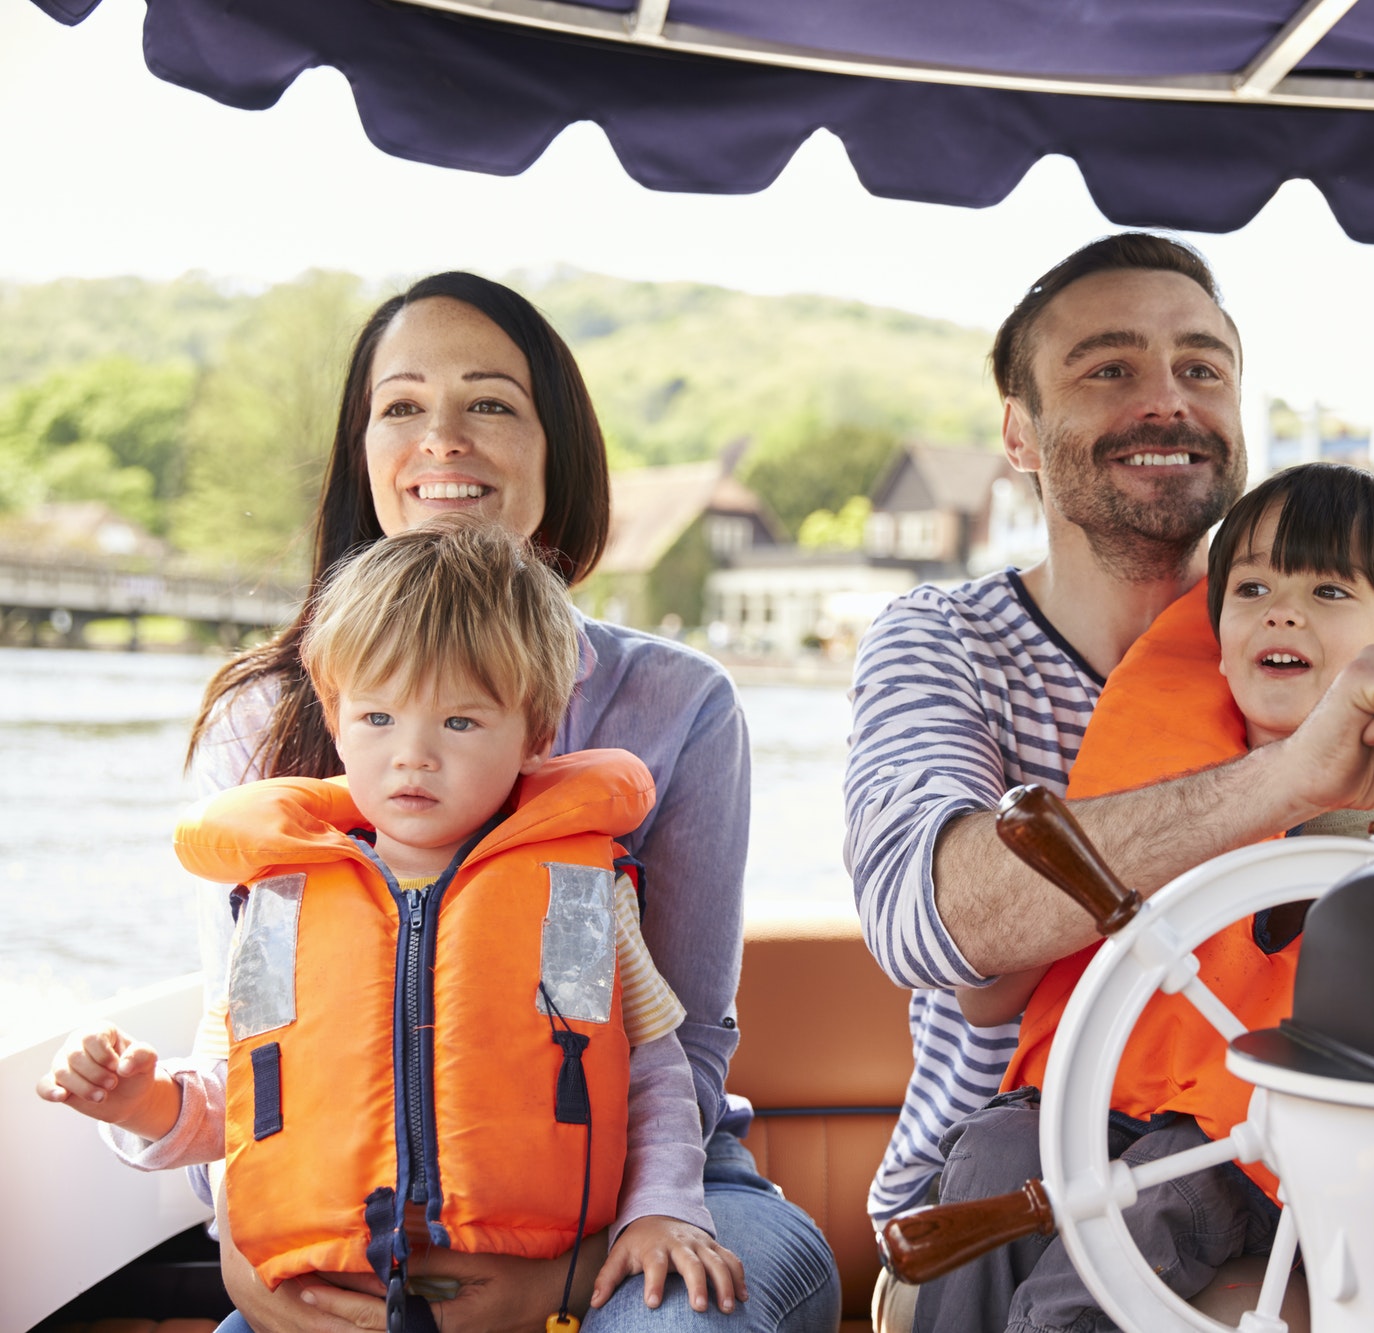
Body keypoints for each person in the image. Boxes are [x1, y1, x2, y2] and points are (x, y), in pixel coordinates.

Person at [842, 235, 1374, 1331]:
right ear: (1017, 433)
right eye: (1108, 368)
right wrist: (1289, 780)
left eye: (1201, 368)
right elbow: (929, 923)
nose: (1166, 400)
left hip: (1339, 1160)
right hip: (1013, 1186)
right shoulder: (940, 644)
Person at [43, 273, 837, 1333]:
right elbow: (249, 1065)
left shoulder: (678, 703)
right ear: (361, 449)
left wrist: (562, 1273)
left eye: (491, 404)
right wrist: (245, 1248)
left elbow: (673, 1048)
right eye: (403, 406)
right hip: (350, 1217)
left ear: (556, 448)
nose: (443, 440)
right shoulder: (259, 720)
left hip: (655, 1191)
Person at [43, 516, 745, 1326]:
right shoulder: (280, 904)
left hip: (544, 1280)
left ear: (537, 734)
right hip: (340, 1293)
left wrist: (663, 1208)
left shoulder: (577, 895)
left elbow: (650, 1071)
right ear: (336, 719)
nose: (413, 754)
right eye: (378, 719)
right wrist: (140, 1102)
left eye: (458, 722)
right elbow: (230, 1097)